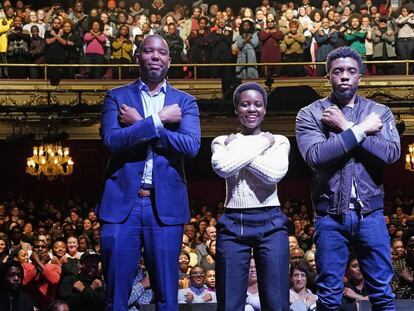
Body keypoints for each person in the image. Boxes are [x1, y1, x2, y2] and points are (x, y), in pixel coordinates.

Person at [99, 34, 201, 311]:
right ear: (138, 57)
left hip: (165, 207)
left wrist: (141, 124)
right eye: (148, 51)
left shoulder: (185, 102)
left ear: (170, 60)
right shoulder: (117, 97)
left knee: (167, 296)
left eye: (162, 52)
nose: (155, 56)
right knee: (116, 296)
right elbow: (112, 141)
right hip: (123, 206)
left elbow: (190, 146)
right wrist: (158, 121)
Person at [295, 46, 401, 311]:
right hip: (330, 216)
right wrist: (362, 131)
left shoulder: (379, 111)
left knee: (383, 294)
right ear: (328, 76)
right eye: (337, 71)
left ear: (360, 78)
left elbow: (390, 154)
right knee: (329, 296)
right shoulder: (310, 114)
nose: (344, 76)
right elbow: (316, 156)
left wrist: (346, 127)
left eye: (351, 71)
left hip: (371, 214)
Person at [211, 82, 290, 311]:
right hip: (233, 222)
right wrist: (262, 145)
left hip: (271, 221)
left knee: (276, 302)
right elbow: (224, 168)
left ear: (265, 109)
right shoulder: (220, 140)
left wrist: (239, 150)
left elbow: (273, 175)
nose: (252, 109)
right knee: (229, 303)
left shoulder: (279, 140)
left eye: (258, 104)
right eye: (245, 105)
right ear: (237, 109)